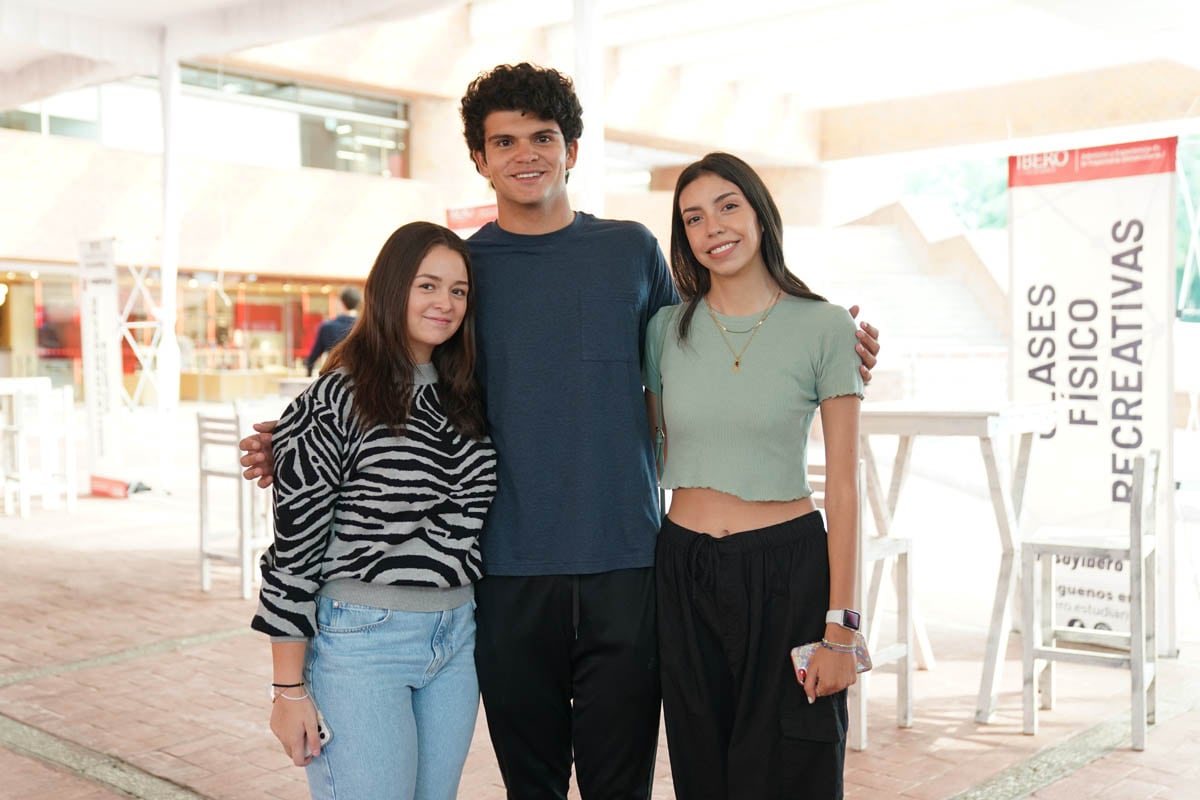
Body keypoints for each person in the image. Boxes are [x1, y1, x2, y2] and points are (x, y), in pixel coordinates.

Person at [242, 63, 881, 800]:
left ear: (571, 149)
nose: (526, 154)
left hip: (632, 567)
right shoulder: (464, 270)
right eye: (503, 141)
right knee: (533, 786)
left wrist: (839, 339)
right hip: (507, 573)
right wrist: (297, 433)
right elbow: (398, 356)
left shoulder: (632, 251)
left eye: (543, 136)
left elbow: (708, 339)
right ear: (480, 160)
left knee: (623, 786)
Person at [251, 221, 496, 800]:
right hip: (362, 643)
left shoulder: (465, 391)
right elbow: (293, 552)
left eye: (458, 291)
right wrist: (287, 690)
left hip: (455, 638)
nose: (445, 303)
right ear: (391, 288)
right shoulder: (337, 395)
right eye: (427, 285)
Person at [643, 152, 862, 800]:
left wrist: (841, 630)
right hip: (682, 571)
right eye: (693, 217)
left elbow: (846, 487)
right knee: (702, 774)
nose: (713, 227)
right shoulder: (662, 331)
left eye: (728, 206)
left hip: (787, 571)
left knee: (795, 771)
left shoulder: (826, 325)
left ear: (761, 213)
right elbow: (646, 445)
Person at [304, 285, 361, 375]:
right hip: (360, 378)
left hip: (334, 378)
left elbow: (312, 358)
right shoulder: (364, 328)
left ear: (341, 303)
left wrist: (308, 373)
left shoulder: (327, 327)